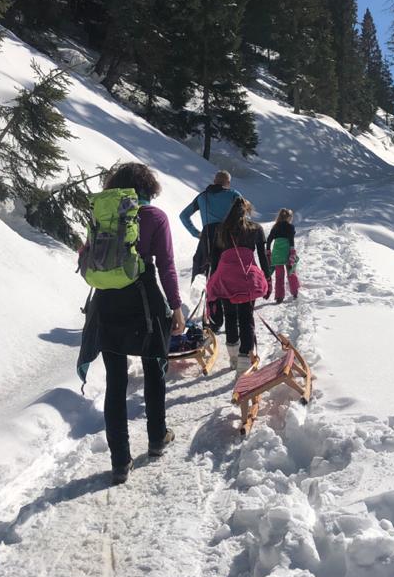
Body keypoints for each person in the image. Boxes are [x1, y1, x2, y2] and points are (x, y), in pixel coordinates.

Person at [79, 163, 186, 485]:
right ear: (148, 187)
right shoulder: (155, 217)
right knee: (154, 369)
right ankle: (156, 438)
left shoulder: (103, 215)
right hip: (144, 302)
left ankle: (119, 461)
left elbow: (86, 258)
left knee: (115, 383)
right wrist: (176, 306)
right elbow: (166, 265)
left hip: (107, 302)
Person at [206, 197, 271, 373]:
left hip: (225, 278)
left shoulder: (221, 230)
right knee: (246, 318)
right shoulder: (255, 229)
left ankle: (233, 358)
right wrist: (268, 279)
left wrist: (213, 281)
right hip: (247, 278)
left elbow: (215, 259)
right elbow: (263, 257)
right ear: (247, 211)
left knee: (230, 316)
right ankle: (244, 361)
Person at [179, 170, 243, 328]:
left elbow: (183, 215)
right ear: (228, 183)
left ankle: (213, 318)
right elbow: (243, 217)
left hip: (207, 238)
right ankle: (232, 316)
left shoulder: (203, 196)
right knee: (229, 275)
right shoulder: (234, 195)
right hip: (228, 237)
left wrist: (196, 233)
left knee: (207, 275)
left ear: (214, 181)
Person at [266, 208, 301, 303]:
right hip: (287, 252)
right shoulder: (290, 227)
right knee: (291, 272)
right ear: (289, 217)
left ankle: (279, 296)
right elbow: (291, 239)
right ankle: (295, 292)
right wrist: (292, 250)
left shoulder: (275, 227)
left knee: (279, 276)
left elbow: (269, 239)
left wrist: (268, 250)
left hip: (277, 253)